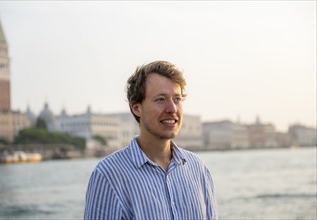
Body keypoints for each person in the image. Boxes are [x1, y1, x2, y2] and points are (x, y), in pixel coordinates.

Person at [84, 60, 218, 220]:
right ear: (137, 108)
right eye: (161, 99)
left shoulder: (198, 170)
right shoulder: (108, 176)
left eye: (177, 99)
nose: (172, 109)